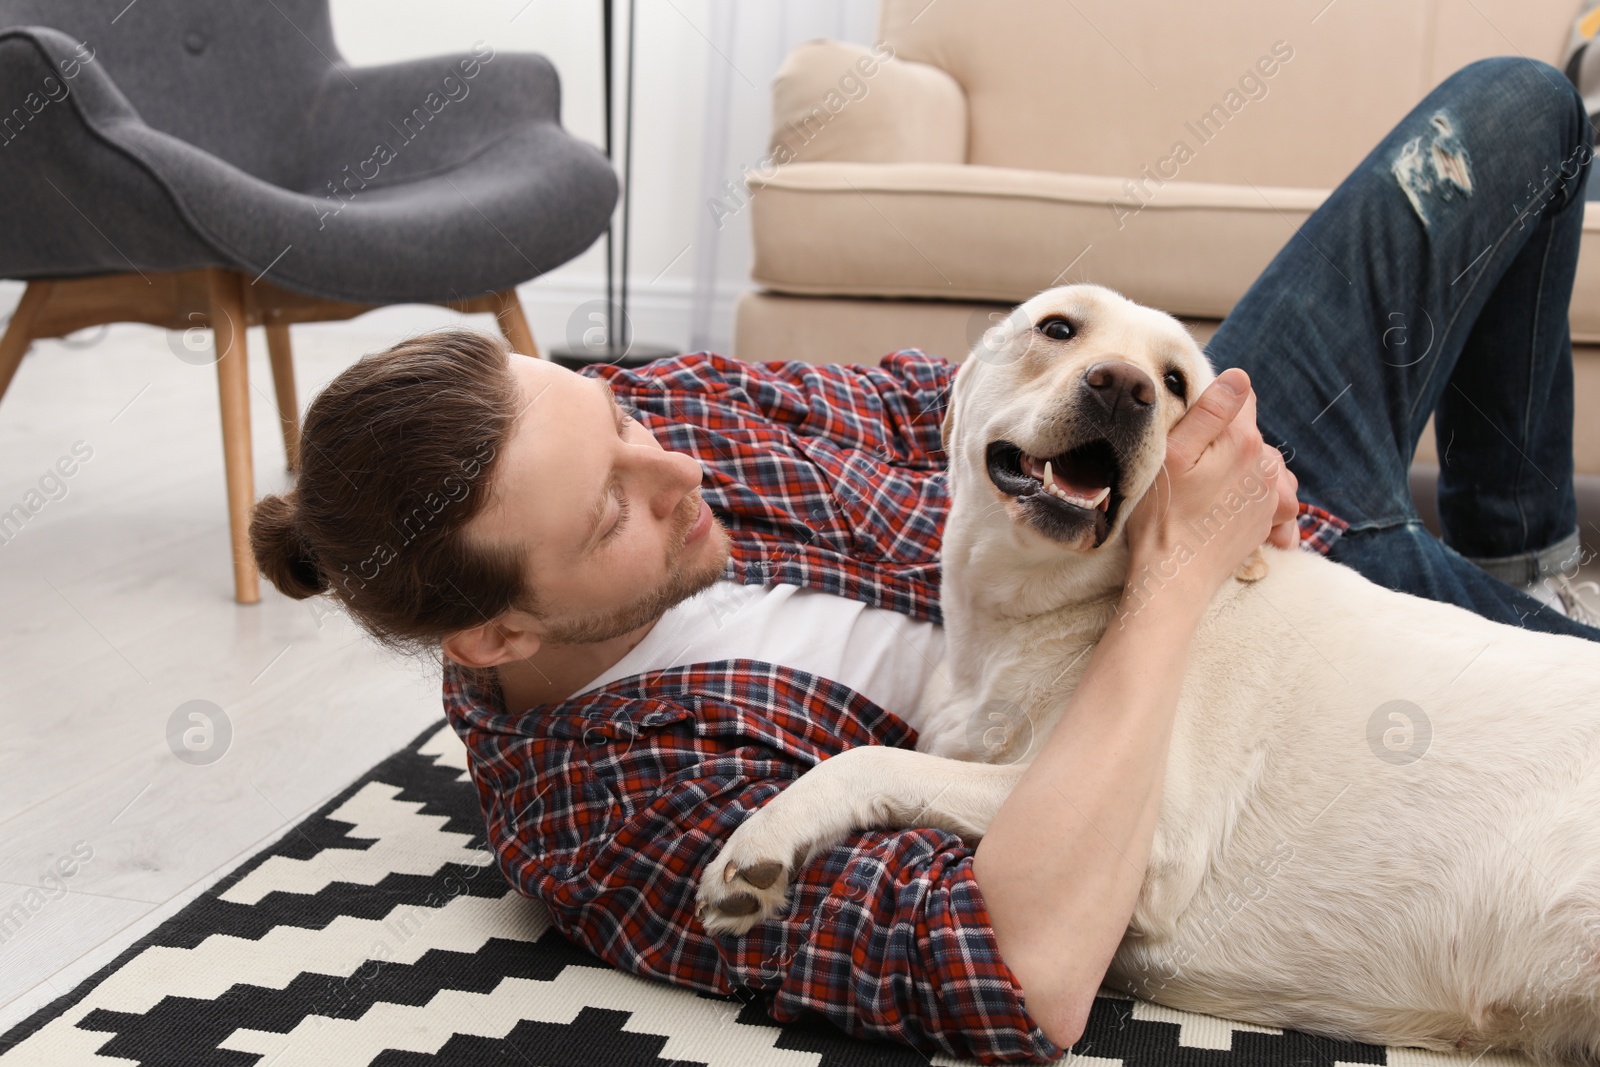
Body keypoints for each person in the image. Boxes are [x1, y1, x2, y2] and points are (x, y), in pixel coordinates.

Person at [249, 56, 1597, 1064]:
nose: (679, 468)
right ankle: (1473, 588)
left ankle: (1515, 553)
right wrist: (1185, 570)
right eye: (610, 510)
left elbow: (948, 397)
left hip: (1198, 493)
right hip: (1219, 659)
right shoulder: (616, 816)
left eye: (616, 415)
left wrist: (1208, 454)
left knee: (1518, 109)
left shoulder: (692, 422)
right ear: (496, 636)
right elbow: (1017, 972)